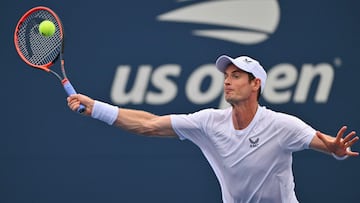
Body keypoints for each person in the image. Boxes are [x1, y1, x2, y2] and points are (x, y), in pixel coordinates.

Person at [67, 55, 359, 203]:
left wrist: (337, 151)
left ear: (256, 84)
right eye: (226, 76)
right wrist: (96, 108)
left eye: (236, 76)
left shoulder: (281, 125)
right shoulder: (208, 122)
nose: (227, 81)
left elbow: (329, 144)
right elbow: (149, 125)